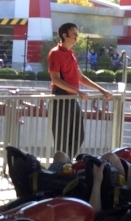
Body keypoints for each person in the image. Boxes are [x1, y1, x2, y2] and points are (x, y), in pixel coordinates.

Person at [48, 23, 112, 157]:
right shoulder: (55, 53)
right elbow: (56, 79)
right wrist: (78, 92)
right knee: (62, 139)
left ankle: (66, 163)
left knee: (78, 135)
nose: (77, 37)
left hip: (72, 99)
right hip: (61, 98)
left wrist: (102, 90)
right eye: (74, 34)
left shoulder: (71, 53)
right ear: (64, 35)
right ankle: (61, 167)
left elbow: (80, 77)